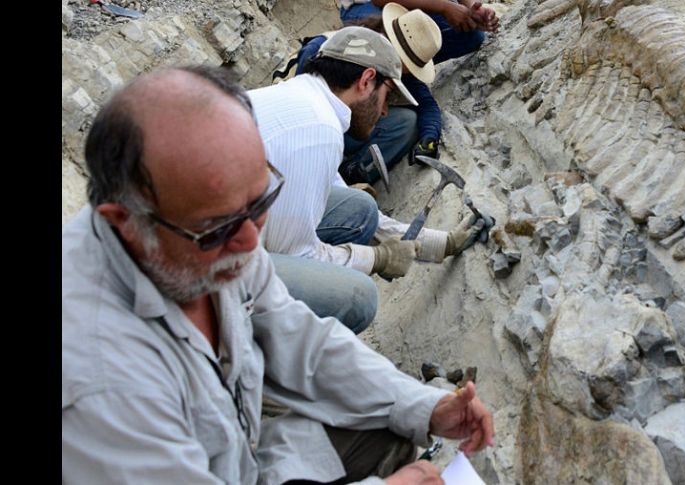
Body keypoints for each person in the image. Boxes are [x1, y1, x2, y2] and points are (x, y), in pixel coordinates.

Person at [62, 65, 495, 484]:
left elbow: (299, 336)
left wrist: (426, 406)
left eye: (259, 202)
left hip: (244, 456)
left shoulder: (206, 241)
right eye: (220, 227)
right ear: (125, 223)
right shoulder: (99, 382)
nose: (251, 243)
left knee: (392, 422)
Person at [249, 27, 486, 334]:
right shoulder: (318, 131)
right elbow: (296, 255)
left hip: (209, 230)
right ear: (365, 81)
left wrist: (439, 245)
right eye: (387, 95)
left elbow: (345, 199)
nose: (386, 110)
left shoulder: (305, 97)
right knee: (357, 298)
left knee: (357, 207)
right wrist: (376, 258)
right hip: (193, 274)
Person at [293, 5, 443, 185]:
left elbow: (428, 105)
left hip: (344, 130)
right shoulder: (325, 48)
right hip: (306, 131)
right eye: (406, 65)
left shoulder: (399, 70)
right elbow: (299, 107)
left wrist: (429, 138)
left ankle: (351, 175)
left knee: (407, 121)